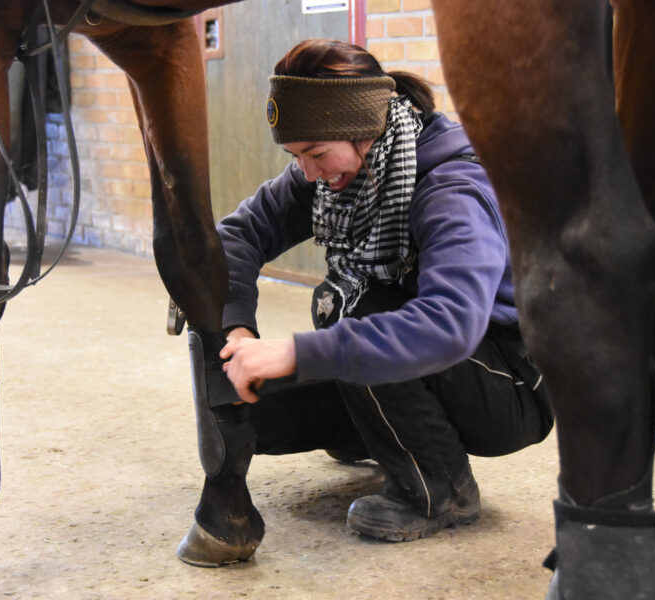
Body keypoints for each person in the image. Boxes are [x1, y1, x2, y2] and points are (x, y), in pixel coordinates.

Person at [190, 39, 554, 550]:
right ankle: (374, 434)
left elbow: (449, 323)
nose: (309, 173)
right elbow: (238, 235)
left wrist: (294, 352)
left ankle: (439, 489)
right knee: (257, 419)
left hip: (506, 381)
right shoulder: (334, 168)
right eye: (296, 157)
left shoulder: (452, 186)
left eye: (316, 154)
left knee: (353, 303)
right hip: (431, 367)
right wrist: (238, 329)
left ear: (363, 127)